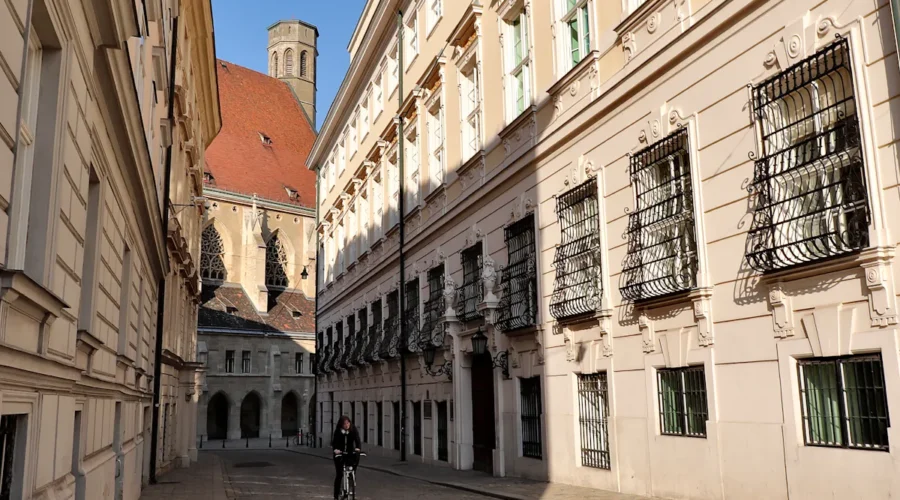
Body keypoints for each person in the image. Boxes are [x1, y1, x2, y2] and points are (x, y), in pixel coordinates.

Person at [331, 415, 361, 499]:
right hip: (339, 454)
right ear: (341, 425)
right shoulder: (338, 431)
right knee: (339, 474)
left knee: (352, 469)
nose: (347, 425)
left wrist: (358, 448)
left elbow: (357, 439)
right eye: (345, 424)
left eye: (348, 423)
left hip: (350, 453)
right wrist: (336, 450)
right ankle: (336, 496)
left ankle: (352, 487)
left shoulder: (353, 429)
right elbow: (334, 442)